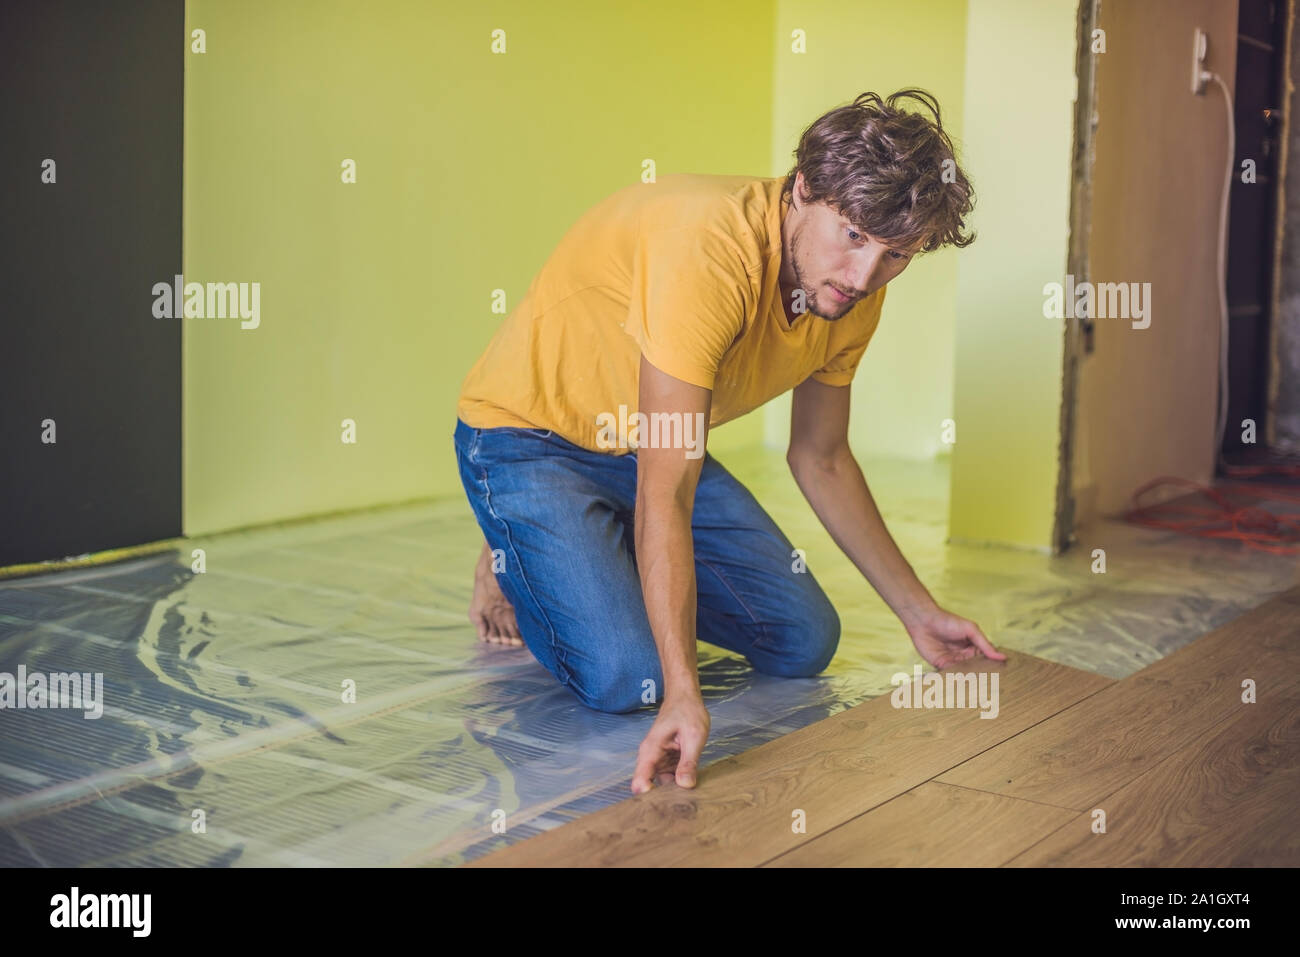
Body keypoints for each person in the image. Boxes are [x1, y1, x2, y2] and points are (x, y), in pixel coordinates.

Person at [453, 89, 1006, 795]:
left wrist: (918, 612)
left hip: (643, 444)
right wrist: (685, 690)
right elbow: (667, 488)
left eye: (896, 254)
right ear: (804, 188)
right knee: (634, 676)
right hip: (526, 436)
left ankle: (587, 545)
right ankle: (513, 548)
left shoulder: (851, 290)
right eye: (855, 236)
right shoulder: (707, 249)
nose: (864, 276)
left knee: (805, 640)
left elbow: (822, 455)